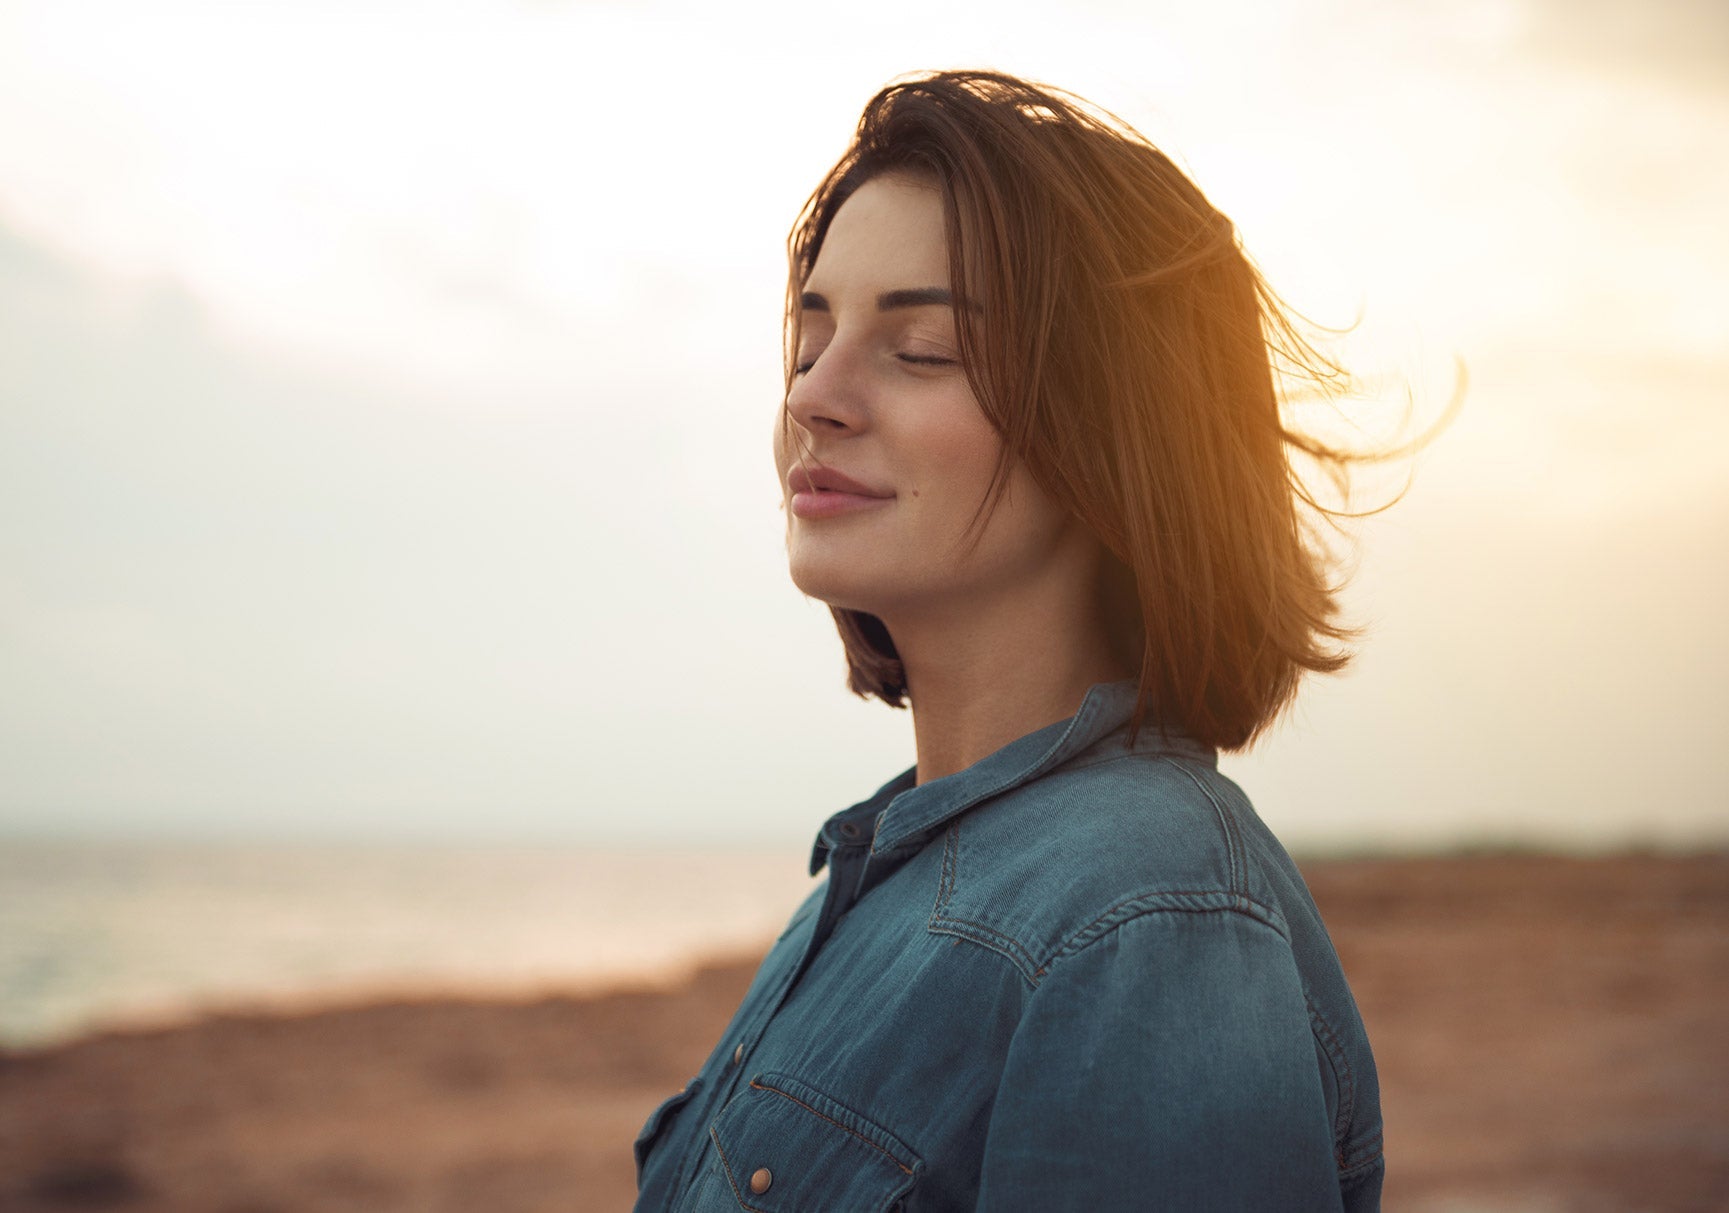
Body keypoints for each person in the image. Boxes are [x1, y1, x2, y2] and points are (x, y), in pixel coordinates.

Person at [633, 69, 1385, 1212]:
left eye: (920, 347)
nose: (814, 398)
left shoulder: (1145, 919)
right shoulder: (878, 875)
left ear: (1113, 428)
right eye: (809, 336)